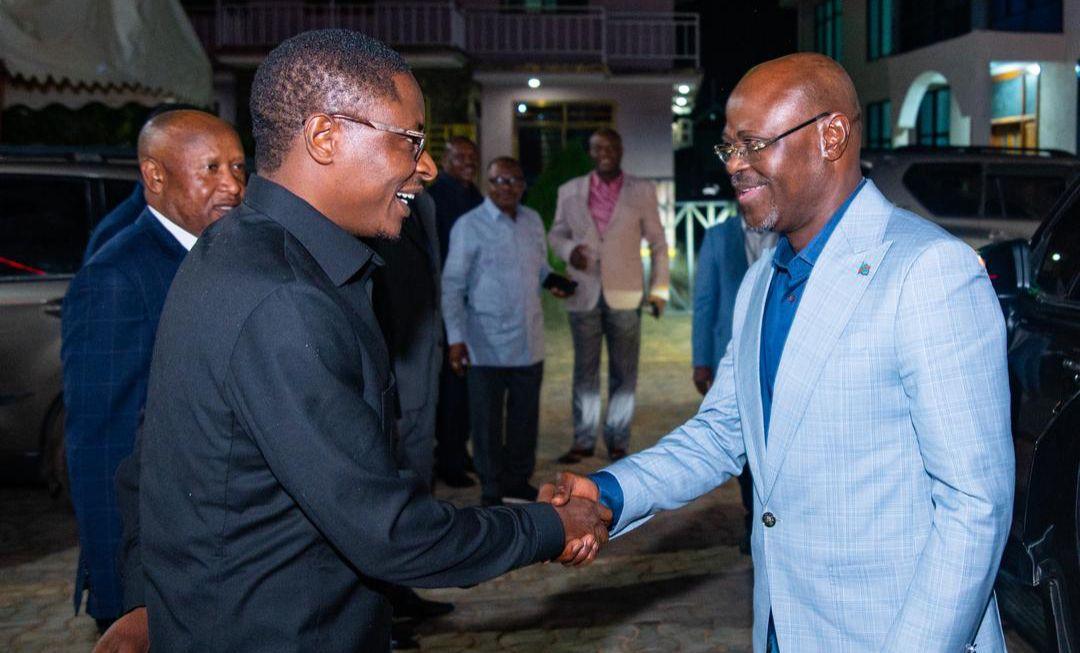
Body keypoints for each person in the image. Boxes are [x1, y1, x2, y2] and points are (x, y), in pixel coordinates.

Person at [113, 30, 609, 653]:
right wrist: (549, 526)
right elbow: (391, 531)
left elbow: (149, 462)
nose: (426, 167)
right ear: (325, 137)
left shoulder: (233, 250)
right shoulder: (286, 300)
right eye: (410, 140)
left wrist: (145, 598)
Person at [545, 53, 1015, 652]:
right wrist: (610, 493)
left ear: (831, 136)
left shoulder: (927, 271)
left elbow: (975, 507)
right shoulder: (763, 277)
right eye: (728, 147)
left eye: (754, 144)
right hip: (783, 624)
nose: (733, 165)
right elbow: (723, 432)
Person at [60, 109, 245, 634]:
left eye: (238, 167)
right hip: (158, 573)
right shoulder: (117, 277)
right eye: (211, 169)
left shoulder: (226, 253)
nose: (232, 185)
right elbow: (101, 449)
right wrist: (124, 593)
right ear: (155, 176)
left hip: (219, 560)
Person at [442, 157, 570, 507]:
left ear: (523, 185)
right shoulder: (470, 225)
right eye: (499, 180)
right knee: (486, 421)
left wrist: (553, 280)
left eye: (514, 180)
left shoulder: (532, 221)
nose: (507, 187)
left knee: (524, 419)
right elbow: (452, 286)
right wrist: (455, 338)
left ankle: (517, 480)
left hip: (529, 339)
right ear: (488, 184)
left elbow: (539, 267)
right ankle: (492, 487)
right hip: (484, 342)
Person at [548, 128, 669, 463]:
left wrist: (659, 290)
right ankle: (583, 439)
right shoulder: (569, 190)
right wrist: (569, 250)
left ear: (621, 150)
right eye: (598, 147)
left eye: (611, 146)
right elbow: (556, 234)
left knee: (624, 372)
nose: (605, 152)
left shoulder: (642, 190)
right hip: (583, 292)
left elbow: (659, 244)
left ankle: (618, 438)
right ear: (590, 152)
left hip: (626, 294)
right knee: (584, 370)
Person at [692, 216, 776, 555]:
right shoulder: (717, 237)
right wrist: (701, 360)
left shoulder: (789, 227)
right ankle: (752, 517)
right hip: (731, 357)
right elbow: (704, 301)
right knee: (743, 443)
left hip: (776, 353)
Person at [427, 136, 484, 488]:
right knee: (451, 386)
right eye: (459, 156)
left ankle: (459, 451)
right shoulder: (435, 199)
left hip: (474, 305)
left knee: (466, 386)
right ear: (444, 160)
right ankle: (448, 461)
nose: (467, 162)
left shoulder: (476, 196)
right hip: (448, 304)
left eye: (471, 156)